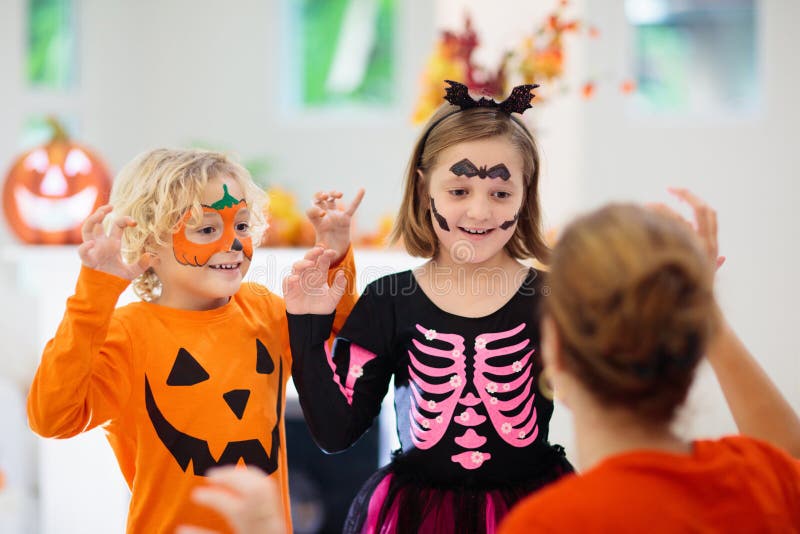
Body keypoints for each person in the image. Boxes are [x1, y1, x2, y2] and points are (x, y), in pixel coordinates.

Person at [284, 81, 574, 534]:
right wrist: (308, 322)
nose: (478, 213)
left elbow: (623, 400)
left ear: (526, 193)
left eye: (500, 194)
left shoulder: (556, 300)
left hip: (533, 516)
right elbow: (335, 431)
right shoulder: (388, 301)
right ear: (424, 190)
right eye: (459, 191)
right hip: (417, 519)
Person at [26, 148, 363, 533]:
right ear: (149, 244)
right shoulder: (129, 333)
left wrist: (337, 258)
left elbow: (348, 341)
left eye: (240, 226)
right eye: (206, 230)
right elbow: (51, 418)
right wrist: (95, 292)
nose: (233, 244)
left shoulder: (264, 310)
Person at [499, 191, 800, 533]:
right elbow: (789, 454)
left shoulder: (546, 524)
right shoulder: (765, 484)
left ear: (557, 356)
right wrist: (704, 311)